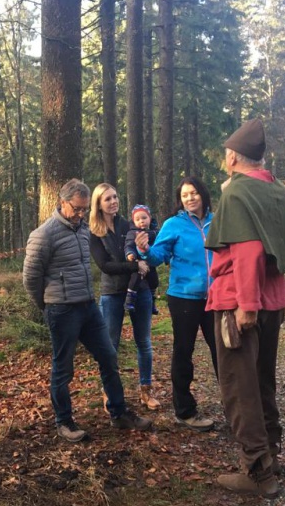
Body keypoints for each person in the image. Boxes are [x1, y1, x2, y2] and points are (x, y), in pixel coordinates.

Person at [205, 119, 285, 498]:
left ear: (232, 157)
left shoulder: (237, 193)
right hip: (272, 300)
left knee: (239, 386)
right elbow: (283, 244)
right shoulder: (275, 190)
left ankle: (258, 472)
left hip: (239, 303)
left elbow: (248, 251)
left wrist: (246, 305)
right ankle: (270, 453)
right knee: (261, 380)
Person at [23, 179, 153, 442]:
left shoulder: (83, 230)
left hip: (88, 306)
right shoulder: (44, 235)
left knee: (108, 357)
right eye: (77, 209)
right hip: (62, 309)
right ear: (62, 202)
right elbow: (30, 277)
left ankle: (118, 413)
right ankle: (64, 422)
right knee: (63, 367)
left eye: (84, 209)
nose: (81, 214)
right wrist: (47, 304)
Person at [136, 177, 217, 432]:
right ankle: (185, 410)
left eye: (194, 193)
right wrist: (145, 251)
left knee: (223, 352)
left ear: (203, 194)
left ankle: (236, 405)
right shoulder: (174, 224)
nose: (190, 198)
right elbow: (158, 256)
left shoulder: (218, 221)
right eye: (185, 195)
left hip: (217, 296)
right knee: (184, 351)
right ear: (180, 200)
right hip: (184, 297)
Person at [89, 184, 160, 410]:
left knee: (144, 342)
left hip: (141, 288)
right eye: (107, 199)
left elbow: (149, 245)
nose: (113, 202)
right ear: (98, 204)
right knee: (110, 346)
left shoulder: (128, 224)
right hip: (111, 293)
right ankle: (109, 392)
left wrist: (146, 249)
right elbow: (105, 265)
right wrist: (134, 265)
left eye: (115, 197)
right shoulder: (94, 232)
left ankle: (145, 391)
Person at [124, 204, 160, 314]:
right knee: (135, 279)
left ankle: (152, 302)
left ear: (150, 218)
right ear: (134, 221)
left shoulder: (155, 232)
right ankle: (129, 300)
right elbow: (128, 245)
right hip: (138, 262)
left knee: (154, 281)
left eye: (144, 218)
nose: (141, 221)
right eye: (138, 219)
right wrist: (130, 254)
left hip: (151, 262)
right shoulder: (133, 233)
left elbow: (161, 246)